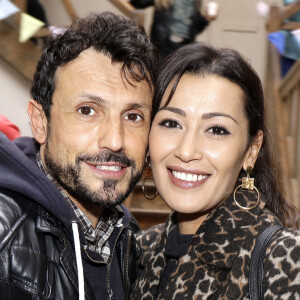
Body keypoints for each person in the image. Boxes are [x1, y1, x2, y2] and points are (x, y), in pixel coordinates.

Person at [0, 11, 157, 299]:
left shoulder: (126, 234)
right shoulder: (4, 232)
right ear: (40, 122)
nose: (115, 140)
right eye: (87, 110)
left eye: (133, 116)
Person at [131, 42, 300, 299]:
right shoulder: (138, 251)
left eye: (217, 130)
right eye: (171, 123)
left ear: (251, 151)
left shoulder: (286, 260)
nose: (187, 151)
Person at [109, 0, 217, 59]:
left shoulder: (194, 2)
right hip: (161, 49)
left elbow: (195, 29)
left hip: (184, 50)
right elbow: (135, 4)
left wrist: (206, 19)